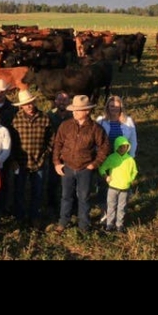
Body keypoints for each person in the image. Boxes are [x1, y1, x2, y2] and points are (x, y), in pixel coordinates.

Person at [52, 95, 110, 234]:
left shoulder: (96, 129)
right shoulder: (66, 125)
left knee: (84, 197)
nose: (74, 112)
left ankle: (83, 224)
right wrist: (56, 163)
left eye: (78, 110)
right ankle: (63, 222)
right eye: (74, 110)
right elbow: (58, 144)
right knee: (66, 196)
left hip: (85, 168)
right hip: (67, 167)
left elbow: (104, 148)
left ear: (87, 111)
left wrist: (94, 164)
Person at [10, 89, 54, 228]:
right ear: (21, 106)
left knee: (37, 192)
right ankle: (20, 218)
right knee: (20, 191)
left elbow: (51, 139)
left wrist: (46, 153)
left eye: (30, 103)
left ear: (34, 102)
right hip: (21, 162)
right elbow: (11, 141)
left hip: (39, 161)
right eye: (25, 104)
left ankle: (35, 217)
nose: (29, 106)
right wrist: (14, 160)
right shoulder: (15, 120)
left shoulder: (44, 118)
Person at [95, 95, 138, 222]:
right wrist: (98, 157)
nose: (114, 108)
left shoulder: (128, 121)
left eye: (117, 106)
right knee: (103, 183)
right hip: (106, 158)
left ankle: (120, 212)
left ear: (121, 107)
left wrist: (131, 157)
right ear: (107, 106)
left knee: (121, 184)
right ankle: (105, 211)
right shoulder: (101, 120)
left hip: (121, 160)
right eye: (111, 105)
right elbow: (96, 139)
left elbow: (133, 141)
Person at [97, 135, 138, 233]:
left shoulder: (130, 160)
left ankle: (120, 224)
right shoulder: (111, 158)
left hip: (125, 188)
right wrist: (105, 176)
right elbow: (102, 168)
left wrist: (130, 179)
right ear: (116, 147)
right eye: (120, 146)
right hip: (112, 187)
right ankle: (109, 224)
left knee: (122, 207)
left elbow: (135, 171)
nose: (123, 148)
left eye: (125, 146)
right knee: (111, 206)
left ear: (128, 147)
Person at [46, 92, 72, 214]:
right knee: (52, 179)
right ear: (55, 101)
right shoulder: (49, 115)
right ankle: (51, 204)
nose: (62, 102)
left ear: (69, 102)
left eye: (65, 100)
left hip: (70, 153)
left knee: (70, 181)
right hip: (54, 152)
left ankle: (70, 206)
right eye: (59, 99)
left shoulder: (73, 116)